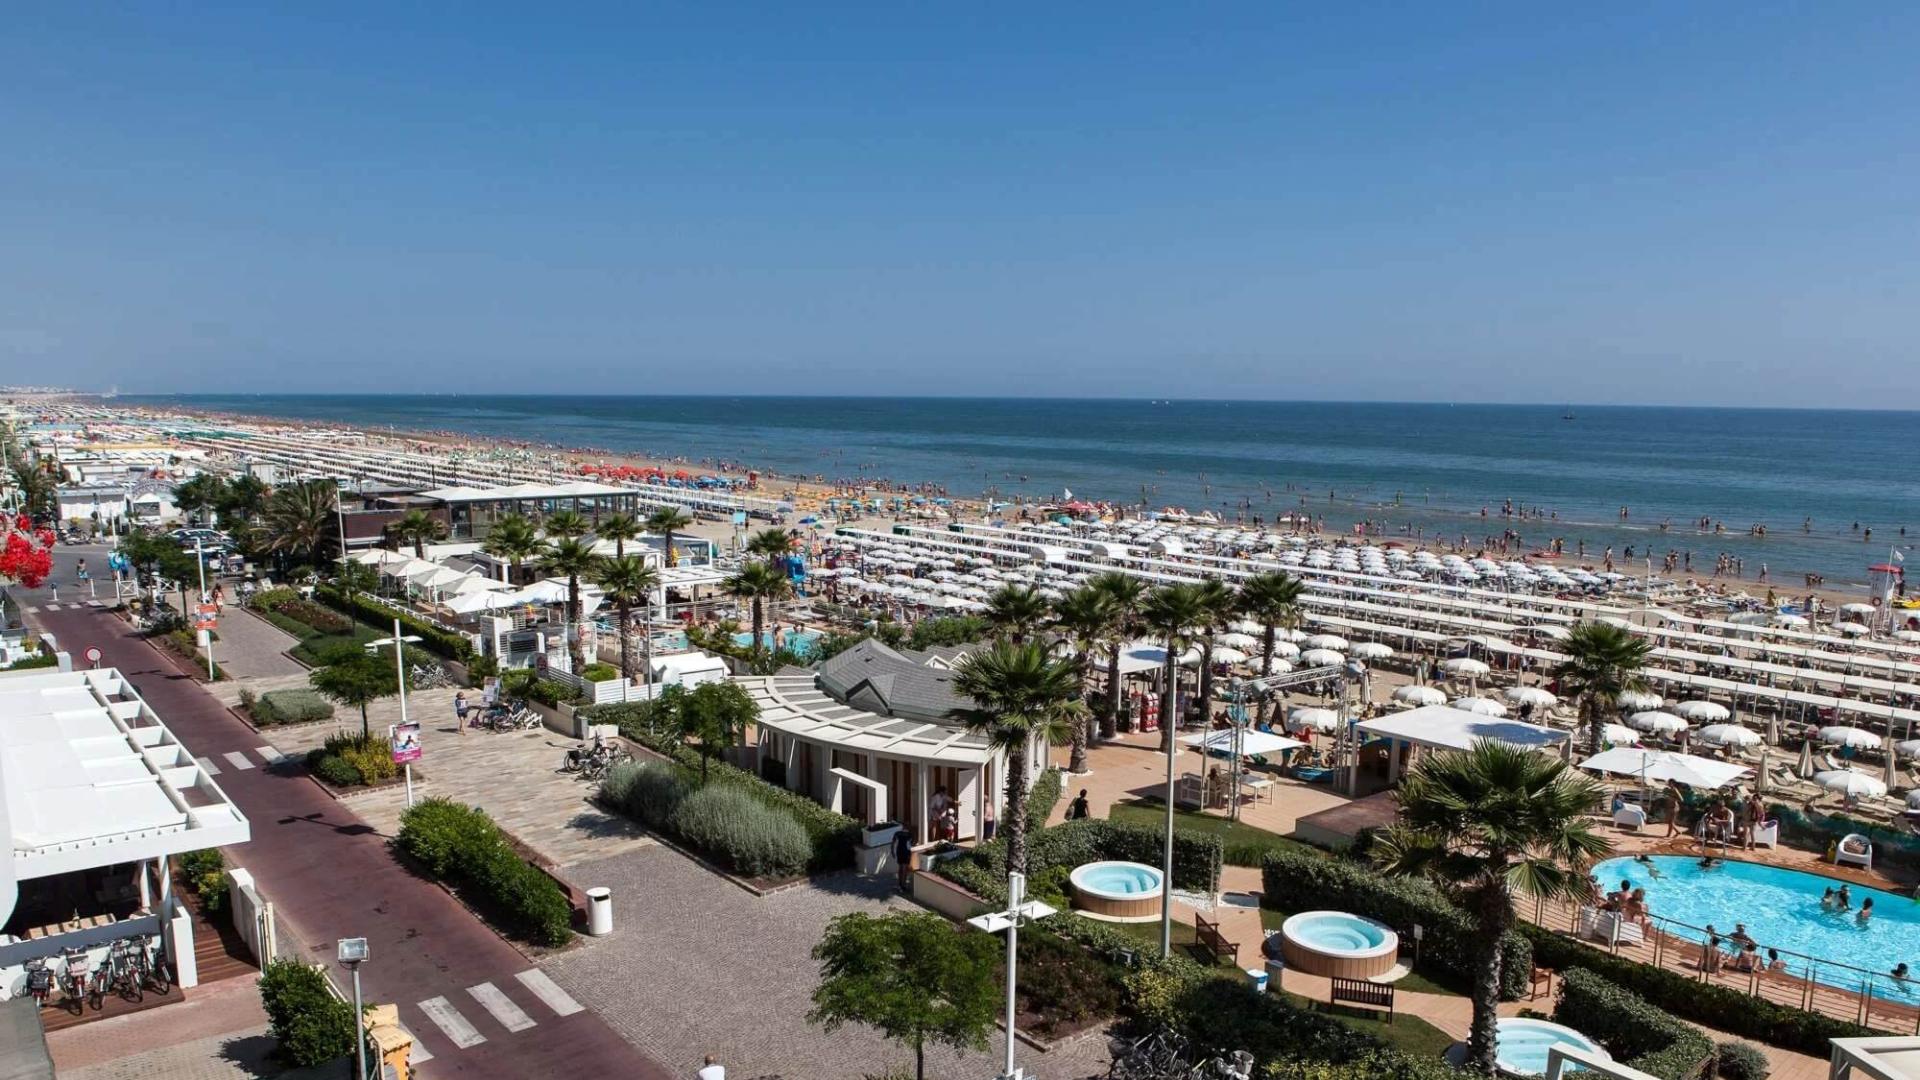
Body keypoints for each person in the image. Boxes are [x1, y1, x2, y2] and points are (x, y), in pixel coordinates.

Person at [892, 827, 914, 893]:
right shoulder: (910, 834)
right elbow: (911, 844)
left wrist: (892, 852)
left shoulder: (897, 833)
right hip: (906, 852)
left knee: (900, 868)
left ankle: (900, 884)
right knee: (904, 869)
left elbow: (893, 843)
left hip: (899, 852)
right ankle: (903, 886)